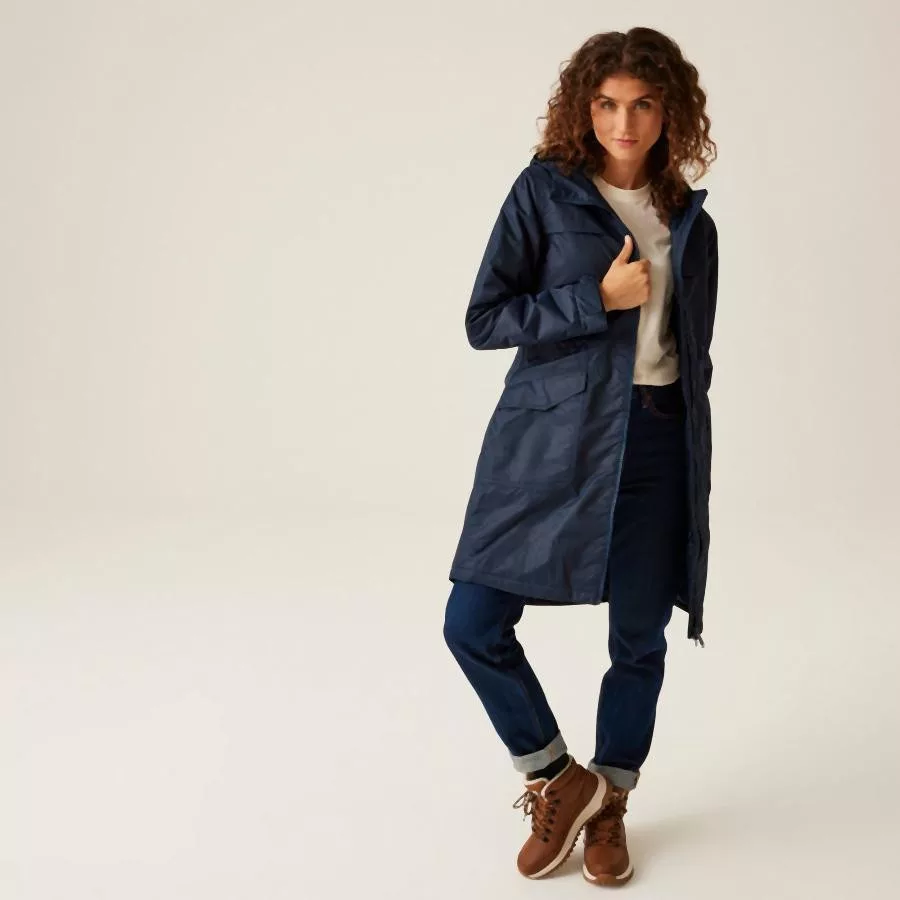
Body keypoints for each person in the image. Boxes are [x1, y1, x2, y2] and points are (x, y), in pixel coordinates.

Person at [442, 27, 719, 885]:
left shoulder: (691, 221)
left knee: (638, 640)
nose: (622, 123)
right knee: (472, 622)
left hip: (658, 441)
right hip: (550, 440)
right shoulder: (544, 193)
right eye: (605, 104)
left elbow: (692, 353)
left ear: (669, 112)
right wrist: (593, 299)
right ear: (583, 109)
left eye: (641, 104)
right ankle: (559, 778)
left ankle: (611, 803)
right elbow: (485, 319)